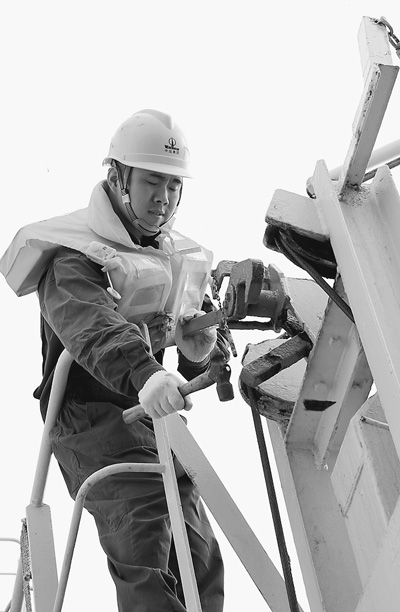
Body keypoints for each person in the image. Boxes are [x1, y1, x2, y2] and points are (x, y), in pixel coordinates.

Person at [0, 109, 227, 611]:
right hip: (88, 419)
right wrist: (146, 371)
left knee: (199, 553)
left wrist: (200, 351)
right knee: (144, 533)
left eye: (173, 184)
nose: (163, 197)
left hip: (150, 420)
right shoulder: (73, 256)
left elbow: (202, 334)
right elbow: (92, 324)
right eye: (151, 181)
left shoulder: (173, 257)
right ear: (118, 177)